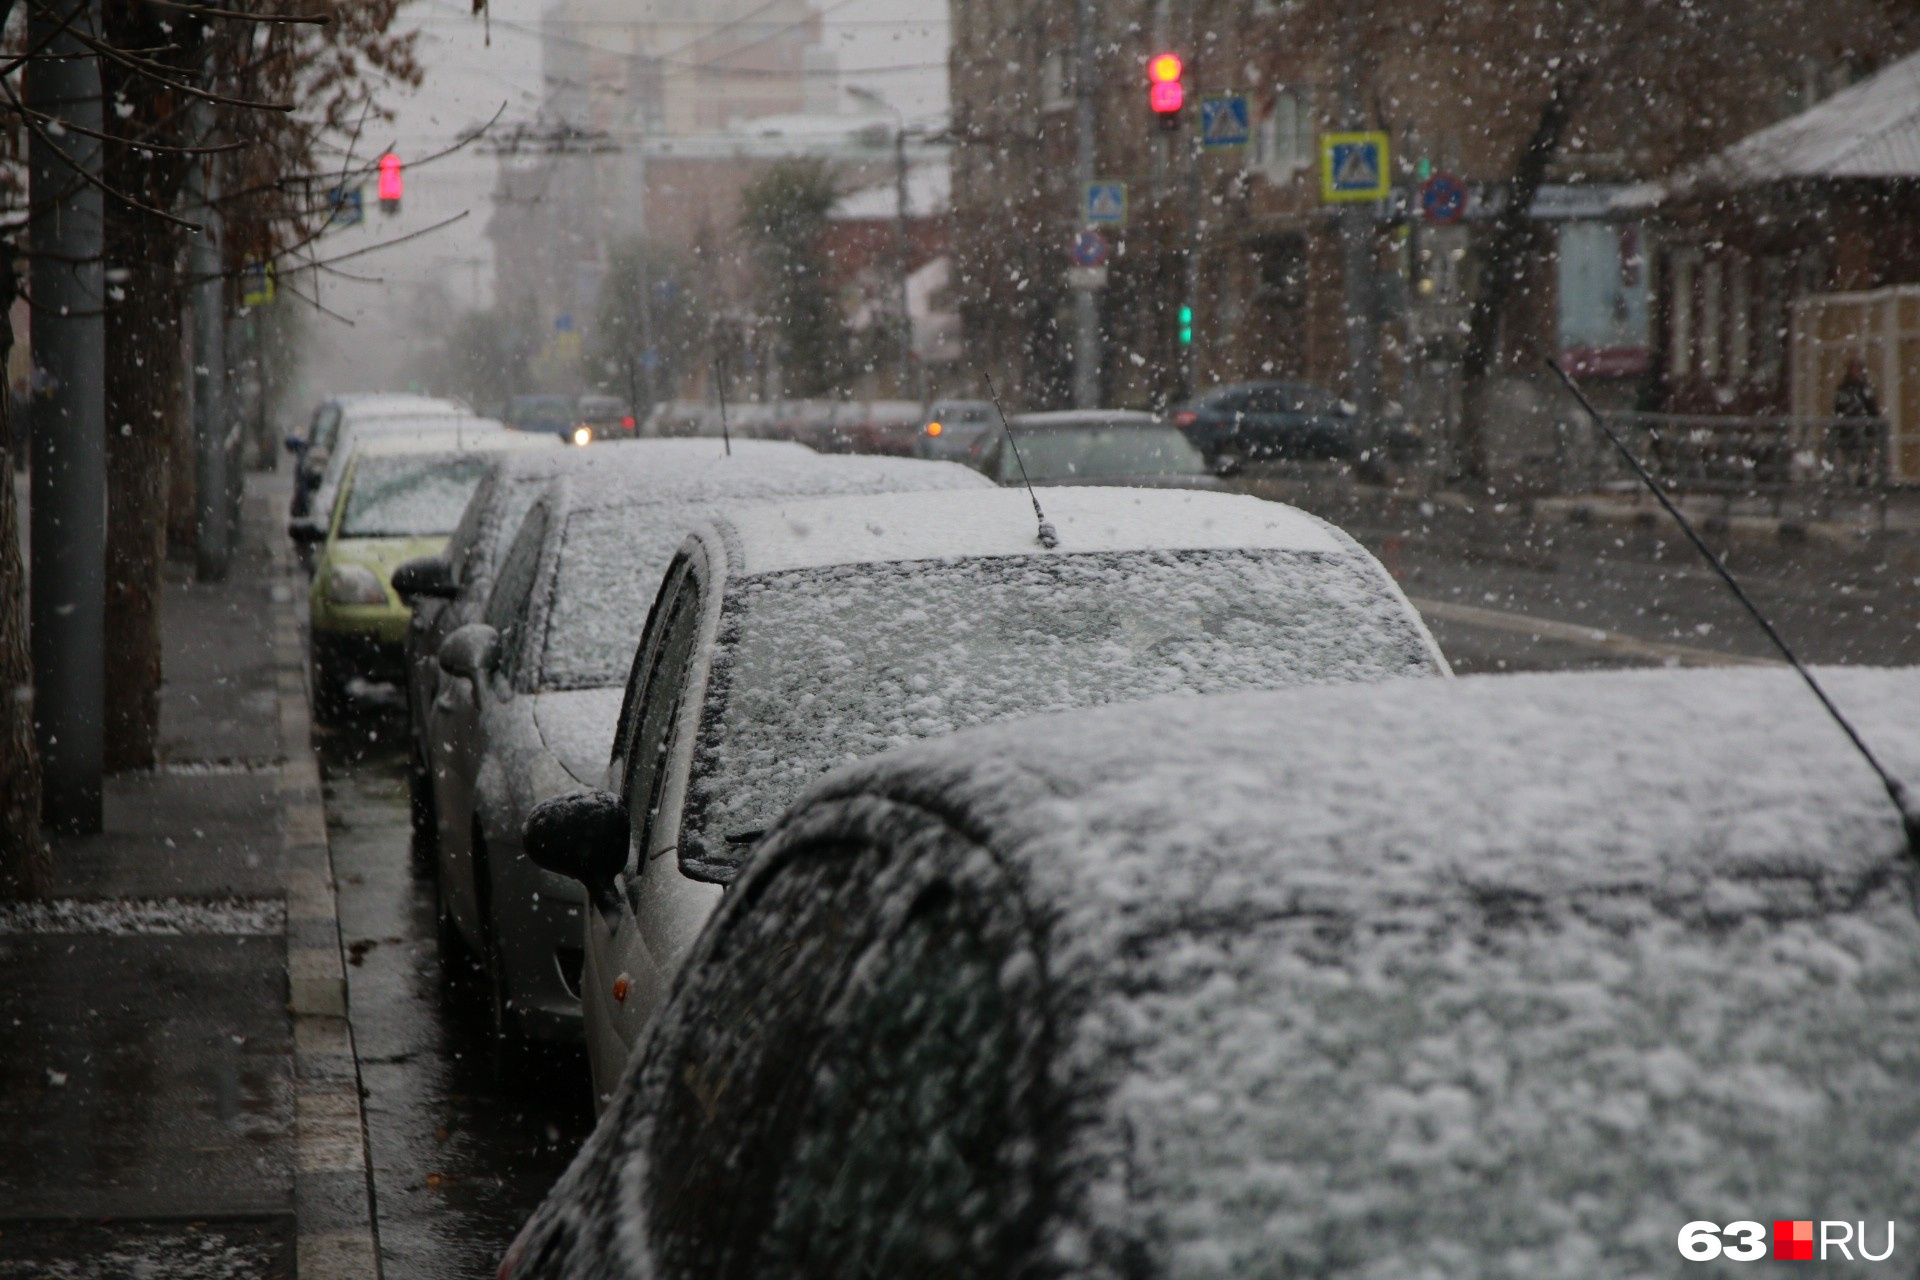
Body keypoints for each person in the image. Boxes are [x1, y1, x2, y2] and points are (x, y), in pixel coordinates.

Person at [1832, 355, 1882, 487]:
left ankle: (1862, 481)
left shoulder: (1864, 389)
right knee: (1849, 458)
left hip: (1862, 429)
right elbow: (1838, 409)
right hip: (1849, 430)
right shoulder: (1846, 389)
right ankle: (1850, 482)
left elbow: (1873, 409)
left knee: (1863, 457)